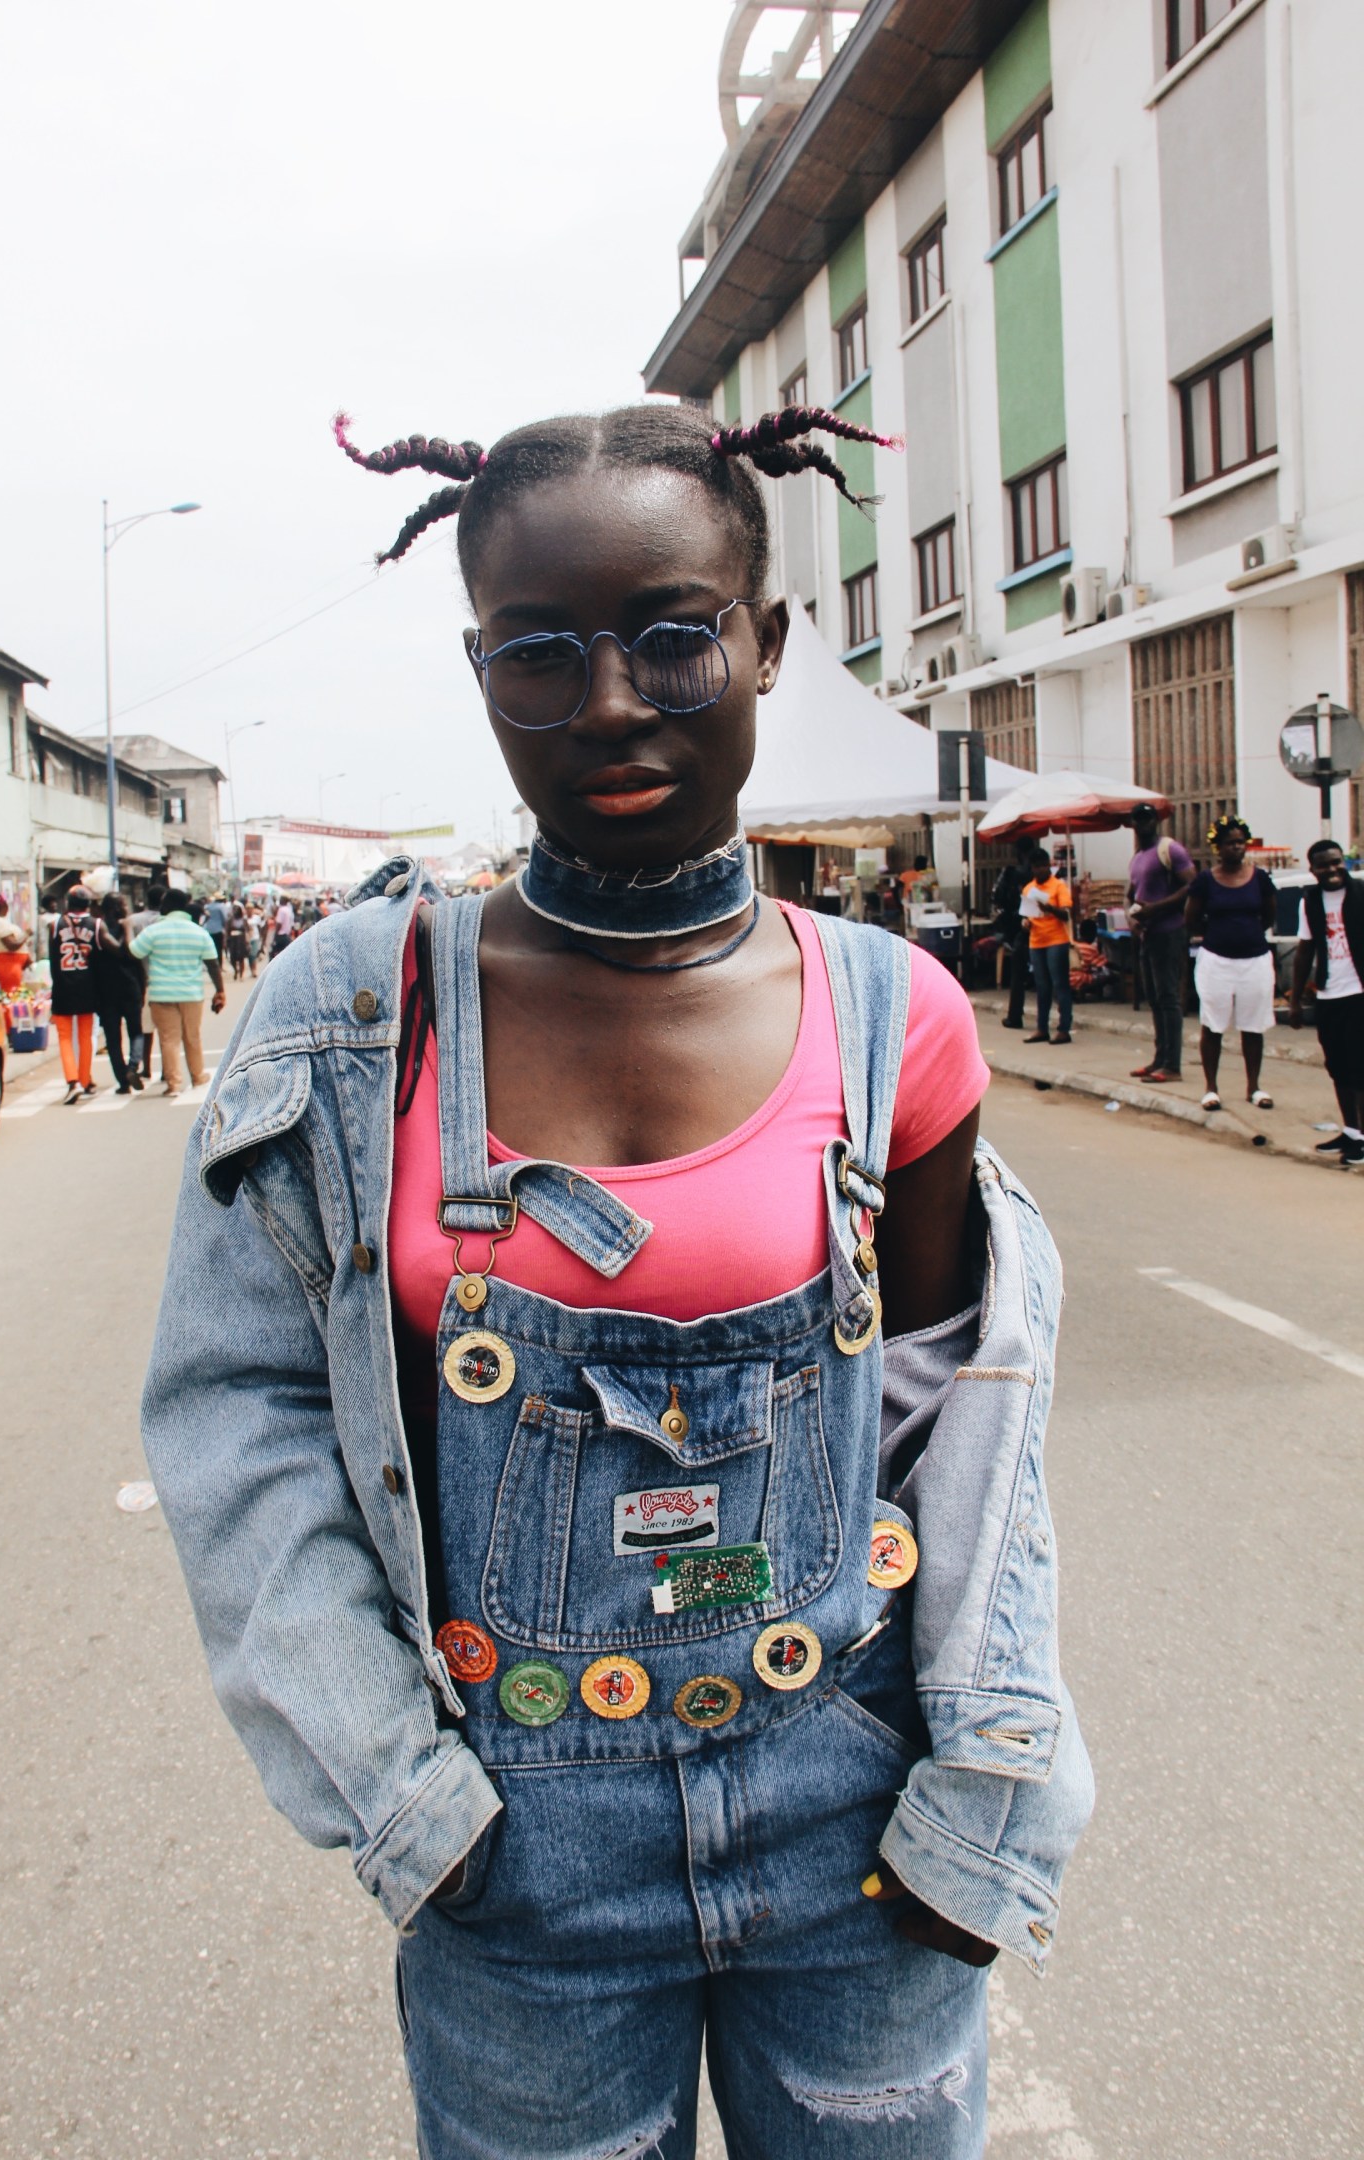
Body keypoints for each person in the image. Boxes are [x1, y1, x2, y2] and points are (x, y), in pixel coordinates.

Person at [143, 401, 1091, 2159]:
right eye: (538, 655)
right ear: (480, 668)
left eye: (673, 636)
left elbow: (968, 1434)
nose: (610, 704)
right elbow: (243, 1423)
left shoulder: (902, 1018)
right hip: (522, 1855)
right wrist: (414, 1807)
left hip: (856, 1824)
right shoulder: (355, 1011)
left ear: (768, 641)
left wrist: (984, 1788)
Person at [1185, 815, 1277, 1111]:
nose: (1236, 848)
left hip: (1255, 960)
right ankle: (1211, 1088)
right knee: (1213, 1024)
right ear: (1218, 847)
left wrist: (1247, 934)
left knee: (1253, 1026)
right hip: (1217, 961)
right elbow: (1191, 917)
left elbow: (1269, 915)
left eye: (1240, 842)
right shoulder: (1205, 881)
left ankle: (1255, 1087)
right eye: (1230, 843)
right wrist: (1215, 935)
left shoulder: (1260, 879)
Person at [1290, 838, 1364, 1165]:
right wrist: (1294, 999)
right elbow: (1305, 950)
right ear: (1313, 870)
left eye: (1337, 862)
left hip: (1359, 994)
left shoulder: (1360, 893)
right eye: (1324, 865)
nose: (1332, 869)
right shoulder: (1310, 902)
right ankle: (1350, 1131)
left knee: (1359, 1068)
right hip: (1329, 995)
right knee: (1338, 1068)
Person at [130, 890, 226, 1096]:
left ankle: (174, 1084)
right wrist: (220, 991)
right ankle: (198, 1076)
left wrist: (127, 929)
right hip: (192, 994)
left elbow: (135, 951)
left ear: (168, 905)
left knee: (168, 1039)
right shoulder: (198, 932)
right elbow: (212, 963)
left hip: (161, 994)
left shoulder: (154, 931)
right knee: (193, 1037)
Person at [1124, 804, 1193, 1083]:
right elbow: (1131, 894)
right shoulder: (1138, 857)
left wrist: (1157, 908)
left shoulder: (1170, 850)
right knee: (1154, 998)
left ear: (1156, 820)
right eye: (1138, 819)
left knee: (1168, 999)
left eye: (1148, 818)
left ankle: (1173, 1065)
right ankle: (1160, 1057)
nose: (1143, 824)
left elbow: (1191, 884)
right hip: (1147, 934)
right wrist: (1134, 919)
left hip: (1169, 931)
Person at [92, 891, 148, 1094]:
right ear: (116, 908)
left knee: (113, 1038)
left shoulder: (98, 927)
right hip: (126, 988)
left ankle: (124, 1081)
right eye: (124, 904)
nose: (127, 908)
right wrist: (127, 928)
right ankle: (132, 1068)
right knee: (135, 1032)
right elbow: (127, 951)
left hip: (109, 992)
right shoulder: (103, 929)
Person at [48, 885, 99, 1104]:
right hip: (88, 988)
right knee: (86, 1036)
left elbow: (51, 959)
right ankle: (85, 1079)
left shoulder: (54, 925)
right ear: (88, 904)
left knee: (64, 1037)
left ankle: (72, 1081)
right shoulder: (95, 925)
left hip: (62, 987)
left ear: (67, 903)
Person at [1021, 846, 1073, 1044]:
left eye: (1044, 866)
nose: (1040, 870)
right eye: (1036, 867)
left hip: (1056, 940)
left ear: (1049, 866)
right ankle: (1042, 1028)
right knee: (1042, 987)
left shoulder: (1058, 886)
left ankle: (1064, 1028)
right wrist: (1024, 923)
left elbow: (1066, 914)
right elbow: (1026, 916)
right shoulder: (1029, 889)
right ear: (1032, 868)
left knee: (1060, 985)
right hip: (1036, 940)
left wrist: (1050, 908)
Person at [990, 840, 1036, 1029]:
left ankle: (1015, 1015)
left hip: (1019, 929)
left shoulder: (1011, 873)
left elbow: (997, 897)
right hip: (1040, 929)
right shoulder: (1043, 877)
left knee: (1017, 975)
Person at [131, 884, 166, 1081]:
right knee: (165, 1031)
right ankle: (166, 1069)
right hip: (160, 981)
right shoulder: (165, 922)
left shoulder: (134, 921)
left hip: (140, 980)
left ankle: (146, 1067)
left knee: (146, 1029)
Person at [0, 895, 30, 996]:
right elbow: (12, 945)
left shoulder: (2, 922)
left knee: (14, 995)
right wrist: (26, 934)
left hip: (13, 965)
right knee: (11, 996)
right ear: (3, 906)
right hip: (8, 965)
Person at [225, 899, 249, 981]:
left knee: (241, 958)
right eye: (234, 910)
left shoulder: (244, 920)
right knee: (233, 958)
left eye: (237, 910)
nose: (235, 911)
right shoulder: (230, 920)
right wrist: (225, 942)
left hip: (241, 940)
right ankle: (236, 970)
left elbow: (247, 931)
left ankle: (241, 975)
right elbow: (226, 931)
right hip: (233, 940)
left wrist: (247, 942)